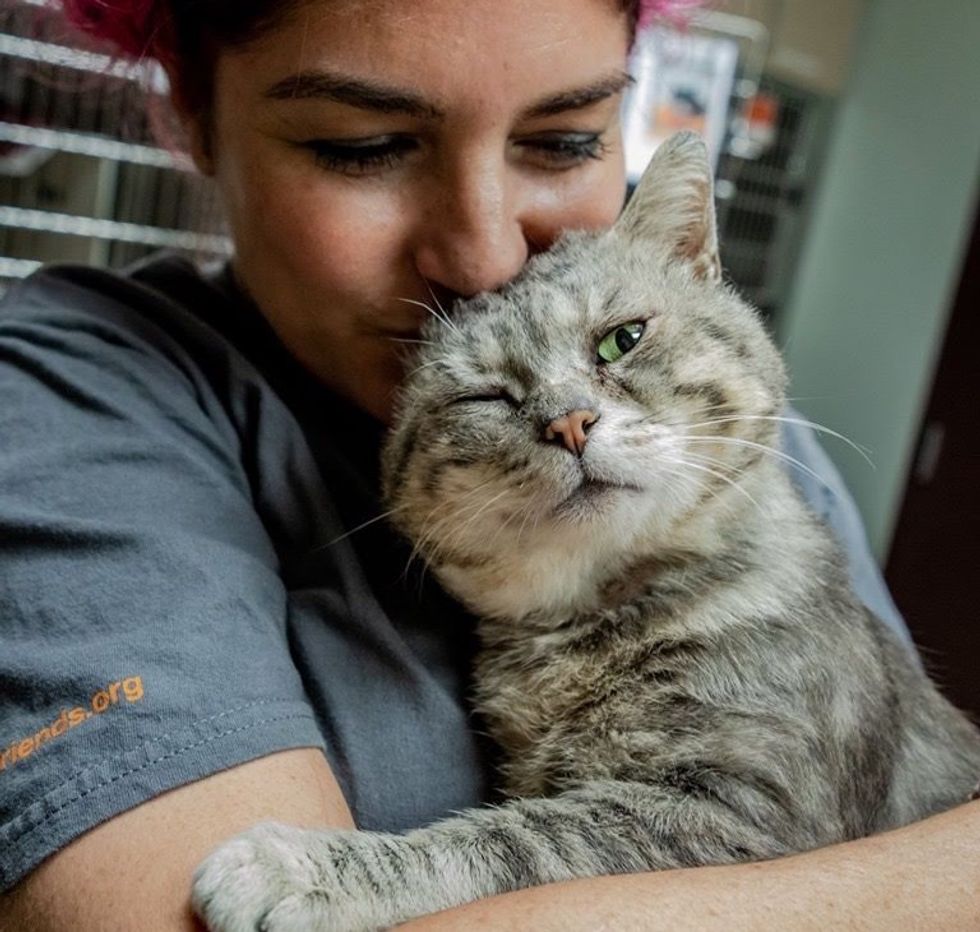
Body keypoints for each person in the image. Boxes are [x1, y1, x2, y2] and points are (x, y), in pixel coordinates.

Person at [0, 0, 976, 929]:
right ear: (187, 108)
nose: (481, 254)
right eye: (362, 146)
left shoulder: (746, 445)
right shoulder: (74, 401)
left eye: (565, 139)